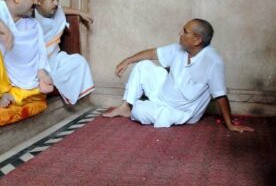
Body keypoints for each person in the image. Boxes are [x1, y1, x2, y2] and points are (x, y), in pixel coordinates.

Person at [102, 18, 254, 133]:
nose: (180, 34)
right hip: (163, 94)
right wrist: (127, 60)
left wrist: (230, 125)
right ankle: (125, 107)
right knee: (143, 65)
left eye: (185, 31)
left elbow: (220, 96)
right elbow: (153, 53)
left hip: (179, 111)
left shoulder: (213, 62)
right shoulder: (179, 48)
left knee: (139, 111)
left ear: (197, 40)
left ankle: (139, 109)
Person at [34, 0, 95, 105]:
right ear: (39, 0)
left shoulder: (56, 11)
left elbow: (62, 9)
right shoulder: (30, 15)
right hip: (37, 63)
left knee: (79, 61)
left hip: (54, 59)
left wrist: (80, 12)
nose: (56, 3)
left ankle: (51, 81)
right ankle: (46, 80)